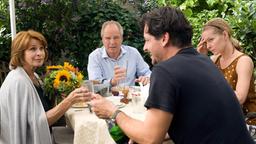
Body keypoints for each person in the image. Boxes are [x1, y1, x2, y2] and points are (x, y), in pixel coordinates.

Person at [91, 7, 254, 144]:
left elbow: (150, 138)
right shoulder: (205, 62)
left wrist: (112, 112)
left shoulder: (165, 71)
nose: (145, 48)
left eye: (147, 40)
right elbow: (196, 120)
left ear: (164, 38)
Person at [0, 30, 91, 144]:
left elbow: (43, 109)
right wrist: (69, 101)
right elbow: (36, 124)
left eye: (41, 48)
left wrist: (61, 94)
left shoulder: (34, 76)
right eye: (33, 49)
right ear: (20, 53)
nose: (39, 53)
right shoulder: (18, 81)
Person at [197, 18, 256, 124]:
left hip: (246, 120)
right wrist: (202, 59)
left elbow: (240, 98)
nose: (208, 46)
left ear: (224, 35)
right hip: (224, 117)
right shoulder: (214, 60)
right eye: (205, 42)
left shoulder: (243, 61)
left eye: (211, 40)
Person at [87, 20, 151, 87]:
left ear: (122, 38)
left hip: (130, 96)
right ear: (102, 39)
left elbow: (147, 73)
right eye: (108, 38)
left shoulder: (133, 53)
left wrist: (146, 78)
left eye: (116, 37)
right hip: (105, 97)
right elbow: (94, 85)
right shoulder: (95, 57)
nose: (112, 42)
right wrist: (112, 82)